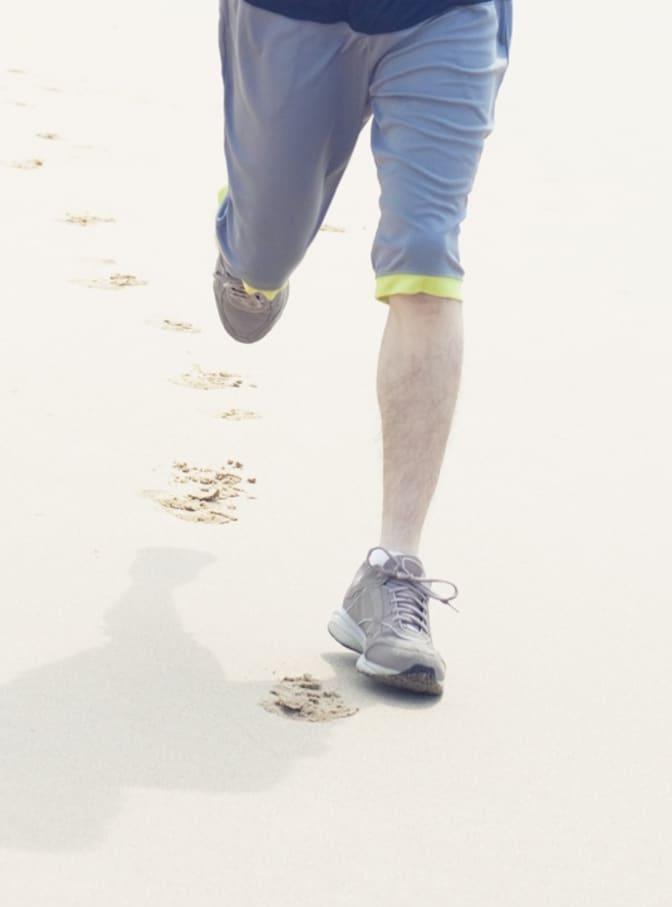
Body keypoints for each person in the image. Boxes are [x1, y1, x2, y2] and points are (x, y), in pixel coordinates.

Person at [213, 0, 511, 694]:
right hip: (289, 14)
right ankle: (248, 252)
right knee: (266, 254)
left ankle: (394, 568)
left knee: (427, 258)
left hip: (446, 15)